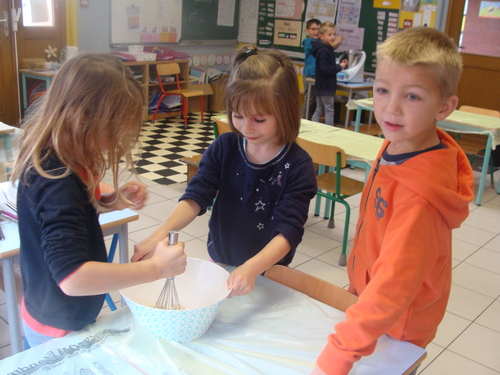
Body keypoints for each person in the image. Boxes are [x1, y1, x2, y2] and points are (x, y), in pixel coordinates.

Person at [311, 27, 475, 375]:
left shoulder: (420, 199)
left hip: (398, 327)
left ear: (444, 107)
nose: (391, 108)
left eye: (412, 96)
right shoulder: (396, 145)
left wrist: (337, 356)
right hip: (371, 306)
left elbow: (393, 287)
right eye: (383, 90)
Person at [11, 52, 187, 348]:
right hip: (58, 327)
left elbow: (74, 213)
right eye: (111, 133)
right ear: (83, 119)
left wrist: (112, 200)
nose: (113, 143)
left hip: (55, 311)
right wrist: (157, 269)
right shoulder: (56, 179)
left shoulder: (59, 157)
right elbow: (73, 277)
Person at [133, 46, 318, 297]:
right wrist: (156, 237)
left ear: (285, 112)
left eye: (259, 119)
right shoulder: (225, 147)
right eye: (238, 116)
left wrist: (251, 268)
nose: (246, 127)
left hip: (268, 272)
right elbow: (195, 198)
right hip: (220, 260)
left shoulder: (297, 165)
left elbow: (289, 232)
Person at [311, 22, 347, 126]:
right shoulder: (323, 51)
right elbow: (325, 69)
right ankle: (328, 133)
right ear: (321, 36)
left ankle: (313, 128)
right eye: (329, 35)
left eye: (334, 34)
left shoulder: (324, 49)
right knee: (329, 111)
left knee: (320, 109)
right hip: (326, 86)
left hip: (321, 85)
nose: (333, 37)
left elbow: (325, 67)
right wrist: (340, 67)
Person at [302, 18, 321, 119]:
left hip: (318, 75)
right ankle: (303, 119)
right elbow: (317, 46)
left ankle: (310, 118)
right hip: (309, 75)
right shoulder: (308, 41)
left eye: (318, 29)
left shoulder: (321, 42)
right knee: (309, 100)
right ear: (307, 31)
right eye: (313, 29)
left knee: (315, 101)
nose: (316, 31)